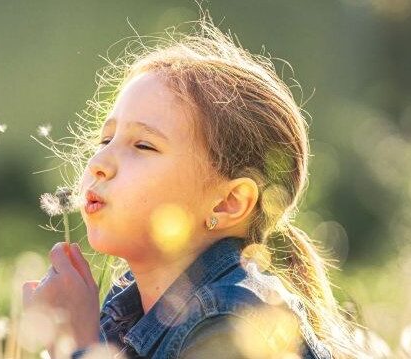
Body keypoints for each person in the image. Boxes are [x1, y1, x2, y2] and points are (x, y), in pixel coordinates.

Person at [22, 14, 371, 359]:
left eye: (143, 145)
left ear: (228, 202)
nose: (98, 163)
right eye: (106, 139)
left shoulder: (234, 321)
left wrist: (76, 343)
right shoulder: (127, 311)